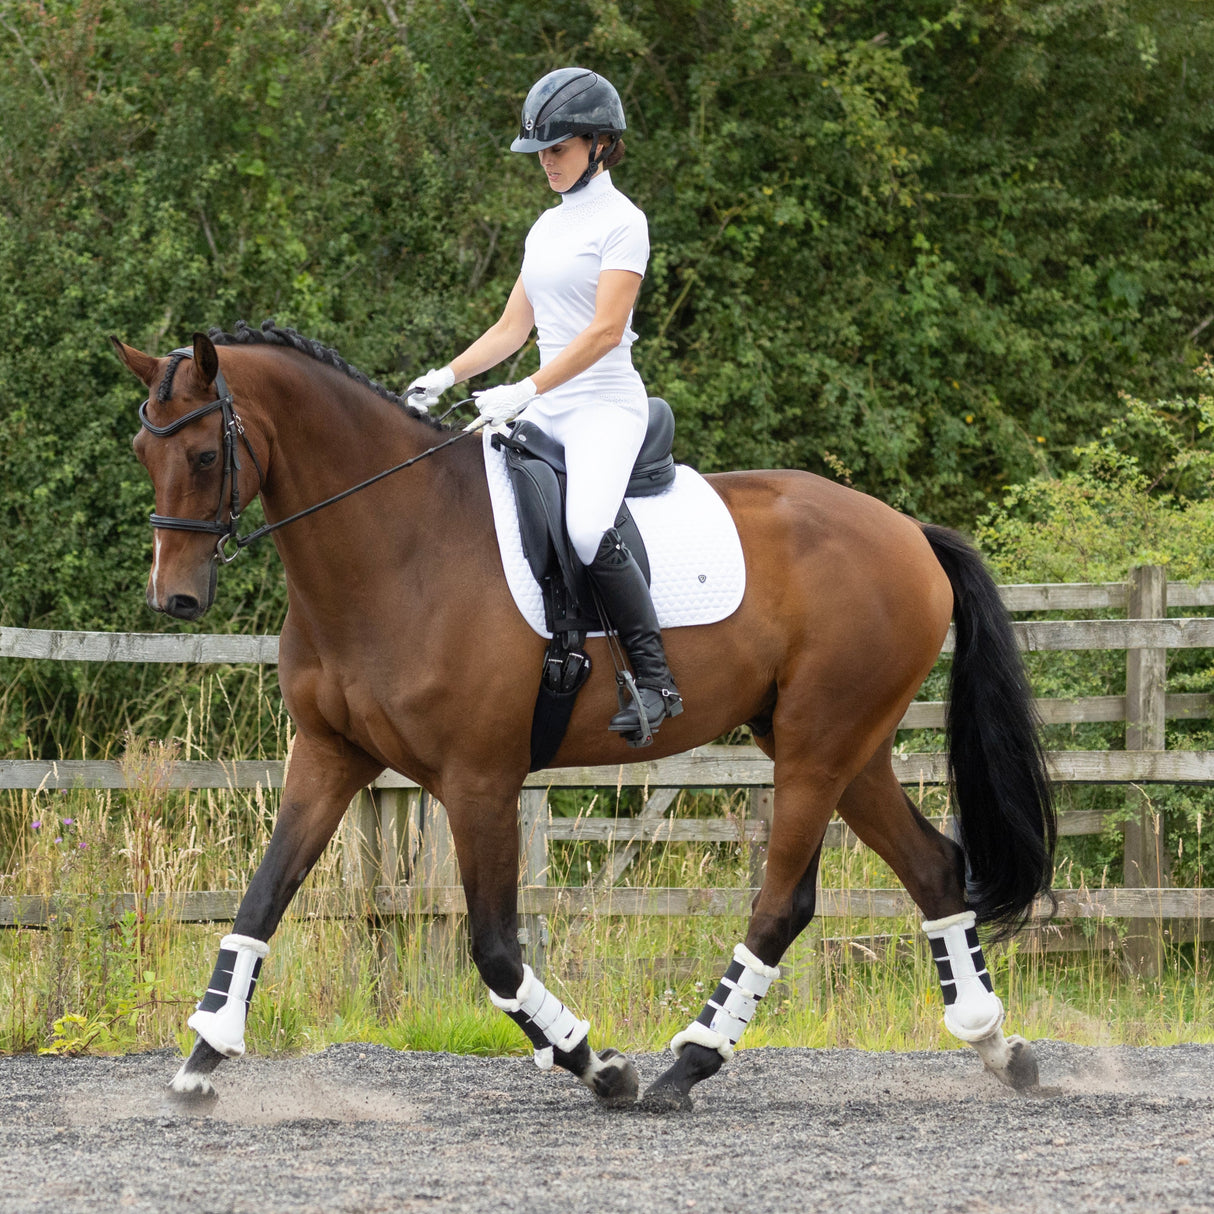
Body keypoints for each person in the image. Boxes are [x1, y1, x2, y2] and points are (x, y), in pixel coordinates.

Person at [407, 66, 682, 742]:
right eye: (541, 154)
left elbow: (604, 332)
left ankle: (655, 680)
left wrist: (527, 388)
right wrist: (446, 374)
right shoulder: (544, 231)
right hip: (546, 404)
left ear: (597, 144)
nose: (546, 165)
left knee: (587, 526)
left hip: (603, 407)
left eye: (556, 151)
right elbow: (512, 330)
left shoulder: (624, 224)